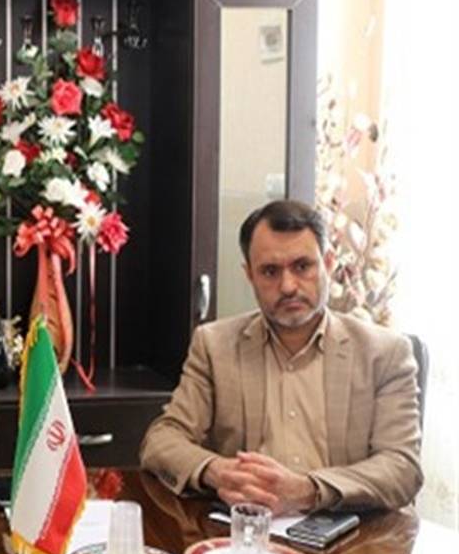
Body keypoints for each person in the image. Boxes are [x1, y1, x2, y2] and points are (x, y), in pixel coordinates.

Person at [140, 200, 422, 512]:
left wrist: (309, 490)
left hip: (348, 530)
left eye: (302, 266)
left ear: (328, 264)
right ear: (250, 275)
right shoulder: (215, 346)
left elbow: (402, 467)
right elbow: (161, 440)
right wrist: (217, 472)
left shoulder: (384, 353)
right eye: (270, 271)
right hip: (246, 528)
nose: (287, 286)